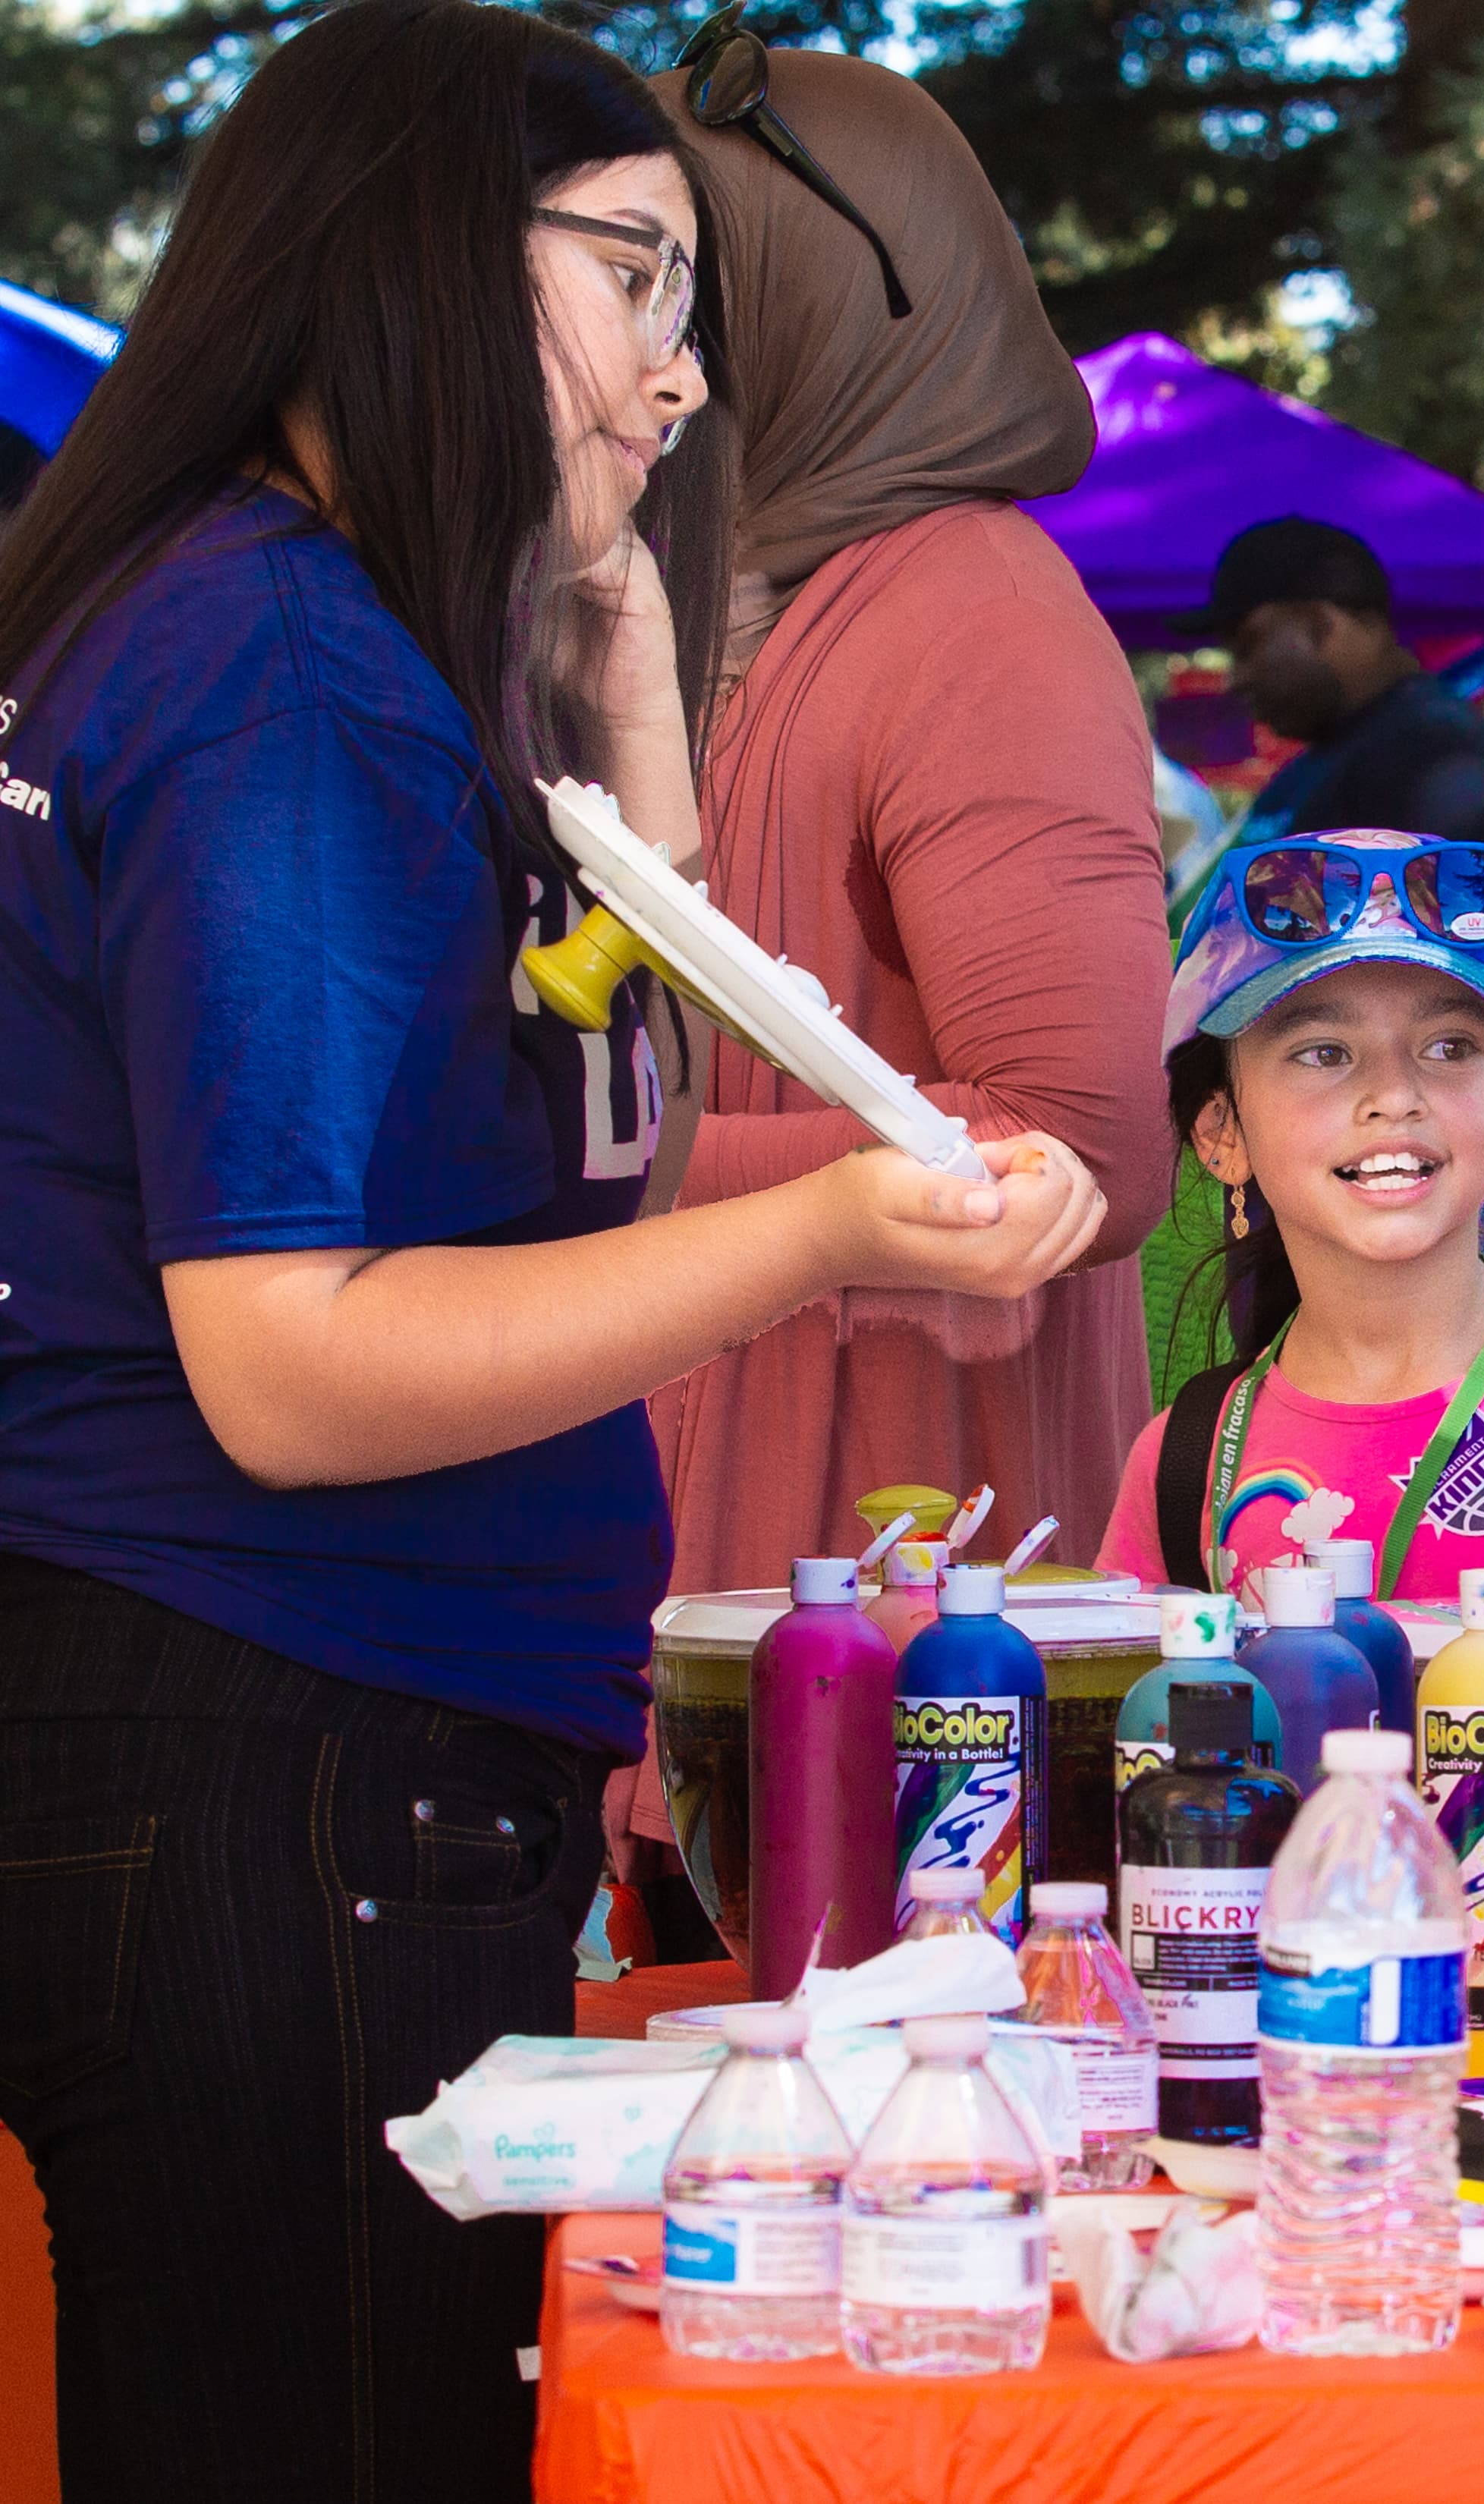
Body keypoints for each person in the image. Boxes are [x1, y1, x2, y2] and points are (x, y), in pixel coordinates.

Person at [0, 9, 1102, 2496]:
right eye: (640, 277)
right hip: (271, 1751)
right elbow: (293, 1356)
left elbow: (536, 1146)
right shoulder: (275, 672)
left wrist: (628, 751)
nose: (687, 379)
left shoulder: (293, 640)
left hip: (274, 1751)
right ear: (421, 251)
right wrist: (829, 1223)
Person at [640, 35, 1171, 1601]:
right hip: (691, 1543)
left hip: (895, 1594)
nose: (640, 353)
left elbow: (1077, 1150)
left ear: (792, 295)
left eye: (666, 284)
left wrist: (622, 1166)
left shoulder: (972, 614)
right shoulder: (713, 603)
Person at [1094, 833, 1484, 1599]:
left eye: (1448, 1046)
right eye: (1323, 1053)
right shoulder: (1183, 1461)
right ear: (1222, 1135)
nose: (1394, 1094)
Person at [1187, 516, 1484, 862]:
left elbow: (1466, 909)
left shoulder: (1435, 753)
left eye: (1248, 646)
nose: (1236, 679)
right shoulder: (1318, 765)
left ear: (1322, 625)